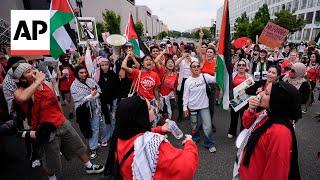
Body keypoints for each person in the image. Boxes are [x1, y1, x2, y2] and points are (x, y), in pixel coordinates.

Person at [13, 63, 104, 180]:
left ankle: (89, 166)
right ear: (22, 78)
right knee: (51, 159)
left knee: (79, 146)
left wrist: (63, 117)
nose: (33, 71)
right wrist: (36, 82)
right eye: (28, 71)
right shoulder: (20, 91)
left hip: (61, 121)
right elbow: (21, 98)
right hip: (46, 129)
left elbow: (56, 102)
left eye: (32, 68)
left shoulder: (45, 83)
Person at [104, 96, 199, 180]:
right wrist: (190, 144)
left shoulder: (120, 134)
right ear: (140, 116)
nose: (153, 108)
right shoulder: (153, 144)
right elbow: (186, 167)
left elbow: (135, 139)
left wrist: (160, 129)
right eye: (149, 108)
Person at [234, 81, 301, 180]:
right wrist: (251, 110)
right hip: (246, 172)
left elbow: (276, 173)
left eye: (266, 93)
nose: (260, 94)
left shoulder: (280, 133)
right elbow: (247, 124)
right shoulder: (268, 114)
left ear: (277, 100)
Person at [71, 65, 109, 159]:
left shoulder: (91, 81)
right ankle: (92, 145)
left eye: (85, 72)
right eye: (81, 73)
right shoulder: (74, 85)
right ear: (77, 73)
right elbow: (78, 99)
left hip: (95, 108)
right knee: (86, 128)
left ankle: (93, 147)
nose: (84, 74)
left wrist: (94, 95)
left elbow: (99, 91)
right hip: (83, 111)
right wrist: (91, 96)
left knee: (95, 128)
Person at [183, 61, 217, 153]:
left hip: (204, 106)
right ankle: (195, 139)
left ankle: (209, 144)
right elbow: (185, 95)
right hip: (193, 106)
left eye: (198, 66)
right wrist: (185, 107)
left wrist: (218, 70)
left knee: (208, 126)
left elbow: (216, 80)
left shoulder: (204, 76)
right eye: (194, 66)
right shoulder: (188, 81)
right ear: (191, 69)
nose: (196, 68)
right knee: (194, 126)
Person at [93, 57, 120, 141]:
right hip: (102, 101)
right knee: (104, 120)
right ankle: (105, 137)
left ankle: (113, 136)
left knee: (113, 118)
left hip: (113, 100)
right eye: (102, 65)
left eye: (106, 65)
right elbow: (94, 88)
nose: (105, 67)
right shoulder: (96, 75)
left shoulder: (113, 74)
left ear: (109, 65)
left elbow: (118, 87)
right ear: (100, 66)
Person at [228, 59, 252, 138]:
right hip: (235, 98)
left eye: (243, 65)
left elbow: (251, 88)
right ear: (237, 67)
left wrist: (245, 91)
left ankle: (242, 133)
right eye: (239, 65)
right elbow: (229, 87)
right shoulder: (232, 75)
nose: (241, 66)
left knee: (243, 117)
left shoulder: (249, 76)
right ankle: (232, 131)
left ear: (246, 67)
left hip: (245, 98)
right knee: (234, 117)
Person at [175, 45, 199, 121]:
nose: (187, 53)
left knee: (192, 98)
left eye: (188, 51)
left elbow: (196, 66)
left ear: (191, 52)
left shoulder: (194, 59)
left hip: (191, 81)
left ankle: (191, 113)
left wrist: (190, 59)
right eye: (185, 51)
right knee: (180, 98)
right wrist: (182, 57)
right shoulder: (181, 60)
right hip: (182, 81)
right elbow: (175, 64)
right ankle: (180, 114)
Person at [158, 56, 179, 121]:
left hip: (171, 98)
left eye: (172, 62)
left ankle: (171, 128)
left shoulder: (176, 75)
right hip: (163, 98)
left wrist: (175, 97)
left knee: (173, 115)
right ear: (165, 65)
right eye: (168, 62)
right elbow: (157, 87)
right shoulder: (163, 74)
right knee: (165, 117)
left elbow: (174, 87)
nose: (170, 64)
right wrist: (158, 99)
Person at [58, 54, 75, 119]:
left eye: (66, 58)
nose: (66, 59)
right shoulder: (59, 67)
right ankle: (70, 112)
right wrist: (63, 75)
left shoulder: (70, 65)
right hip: (64, 85)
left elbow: (75, 72)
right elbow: (59, 77)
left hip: (73, 84)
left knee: (73, 98)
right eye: (64, 58)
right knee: (68, 99)